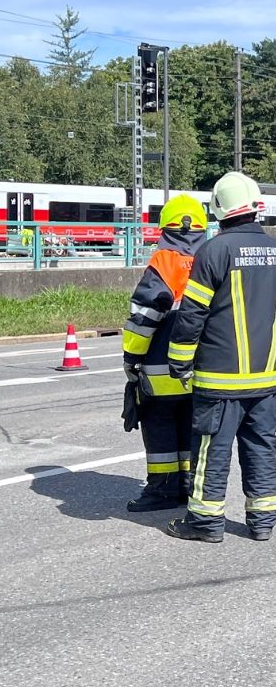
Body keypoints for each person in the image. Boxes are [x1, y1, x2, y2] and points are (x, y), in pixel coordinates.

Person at [167, 171, 276, 543]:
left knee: (211, 451)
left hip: (219, 379)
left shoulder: (214, 251)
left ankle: (205, 522)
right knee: (262, 448)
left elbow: (192, 313)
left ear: (218, 208)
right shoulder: (274, 250)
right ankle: (262, 521)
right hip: (266, 378)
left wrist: (179, 361)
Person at [122, 195, 208, 512]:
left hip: (162, 370)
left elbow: (143, 319)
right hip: (201, 369)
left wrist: (131, 359)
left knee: (159, 427)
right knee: (189, 426)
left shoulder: (163, 263)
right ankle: (187, 485)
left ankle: (162, 489)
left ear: (165, 230)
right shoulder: (211, 261)